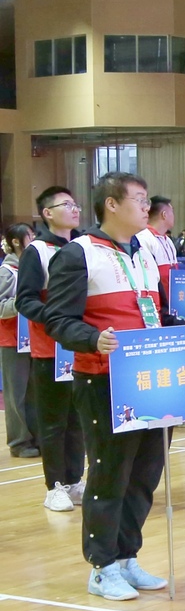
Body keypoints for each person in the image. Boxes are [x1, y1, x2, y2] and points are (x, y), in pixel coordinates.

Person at [43, 172, 185, 601]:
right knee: (110, 473)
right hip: (103, 380)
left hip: (152, 379)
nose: (148, 207)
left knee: (145, 472)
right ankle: (101, 566)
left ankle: (126, 556)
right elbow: (57, 320)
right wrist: (91, 339)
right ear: (111, 205)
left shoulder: (143, 252)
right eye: (139, 200)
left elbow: (155, 313)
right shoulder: (78, 254)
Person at [17, 185, 84, 512]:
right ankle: (54, 485)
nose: (75, 209)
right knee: (55, 420)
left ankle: (75, 480)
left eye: (76, 204)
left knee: (78, 419)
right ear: (47, 213)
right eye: (66, 205)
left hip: (84, 347)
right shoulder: (38, 251)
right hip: (51, 350)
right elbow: (25, 300)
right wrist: (58, 318)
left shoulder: (85, 247)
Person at [1, 223, 37, 458]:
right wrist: (21, 302)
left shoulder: (34, 268)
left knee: (35, 392)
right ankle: (18, 441)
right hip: (12, 340)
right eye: (29, 236)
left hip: (35, 339)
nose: (33, 240)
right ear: (16, 242)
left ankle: (36, 437)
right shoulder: (6, 272)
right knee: (17, 394)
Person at [136, 196, 178, 298]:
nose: (174, 216)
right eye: (172, 212)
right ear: (164, 215)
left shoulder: (168, 241)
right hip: (158, 301)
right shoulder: (144, 239)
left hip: (172, 301)